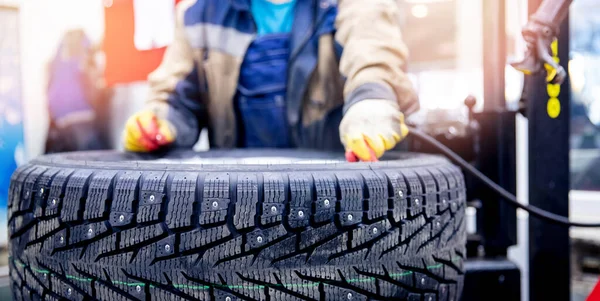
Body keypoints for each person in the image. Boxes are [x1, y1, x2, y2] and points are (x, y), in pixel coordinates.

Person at [123, 0, 418, 161]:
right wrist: (160, 122)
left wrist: (371, 99)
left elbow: (373, 55)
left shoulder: (353, 4)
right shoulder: (198, 13)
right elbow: (177, 99)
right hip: (234, 209)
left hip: (340, 205)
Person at [45, 29, 107, 153]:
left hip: (59, 123)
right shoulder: (83, 61)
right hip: (81, 121)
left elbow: (48, 90)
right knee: (92, 165)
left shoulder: (55, 61)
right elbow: (95, 90)